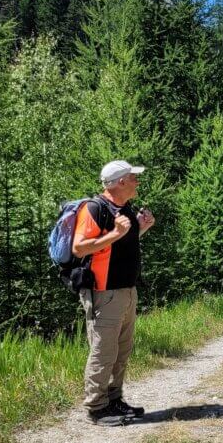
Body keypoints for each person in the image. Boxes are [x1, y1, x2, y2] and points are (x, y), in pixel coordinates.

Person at [71, 160, 155, 426]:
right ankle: (96, 407)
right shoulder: (94, 208)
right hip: (104, 291)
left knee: (122, 349)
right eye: (133, 177)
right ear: (120, 182)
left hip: (126, 289)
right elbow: (80, 248)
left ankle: (114, 399)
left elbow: (119, 245)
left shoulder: (124, 209)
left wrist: (141, 227)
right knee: (103, 350)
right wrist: (117, 233)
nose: (137, 182)